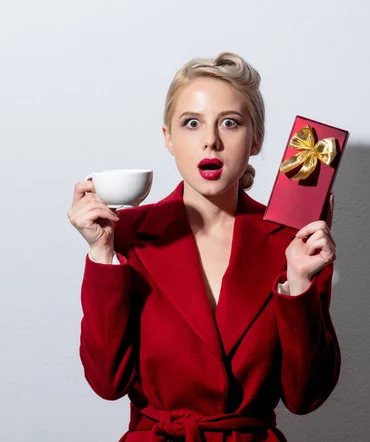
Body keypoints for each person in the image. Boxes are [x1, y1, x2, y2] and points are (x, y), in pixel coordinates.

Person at [68, 52, 340, 442]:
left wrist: (298, 282)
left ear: (256, 139)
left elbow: (305, 396)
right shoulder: (122, 233)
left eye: (230, 123)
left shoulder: (294, 242)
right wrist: (102, 256)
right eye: (191, 123)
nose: (210, 141)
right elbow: (107, 383)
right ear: (168, 138)